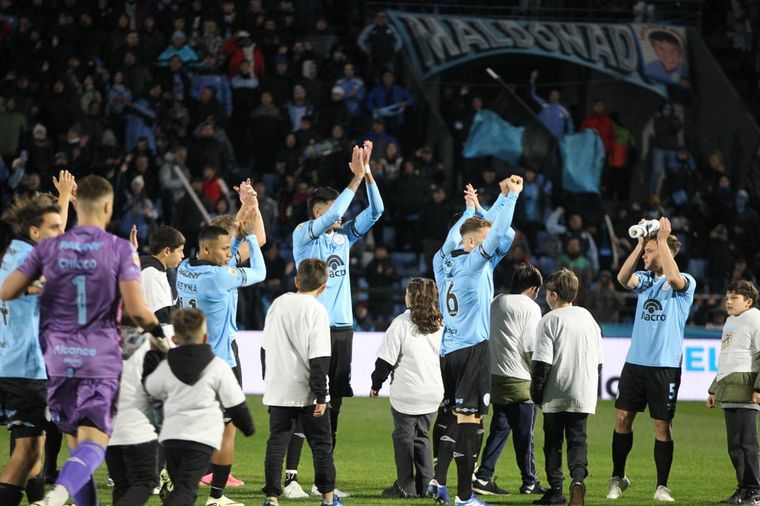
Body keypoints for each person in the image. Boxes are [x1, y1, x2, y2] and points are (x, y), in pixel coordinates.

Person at [0, 175, 163, 506]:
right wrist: (158, 334)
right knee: (79, 447)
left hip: (48, 363)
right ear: (108, 206)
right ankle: (56, 496)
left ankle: (48, 498)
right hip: (67, 362)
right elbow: (135, 309)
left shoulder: (35, 251)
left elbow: (14, 283)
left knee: (45, 450)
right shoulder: (115, 249)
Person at [289, 142, 384, 497]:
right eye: (330, 212)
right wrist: (354, 179)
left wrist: (368, 174)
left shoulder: (341, 239)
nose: (339, 216)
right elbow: (333, 214)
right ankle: (290, 476)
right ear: (317, 213)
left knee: (335, 405)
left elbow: (377, 212)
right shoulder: (305, 235)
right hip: (313, 327)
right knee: (308, 401)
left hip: (343, 330)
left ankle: (321, 480)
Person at [429, 176, 522, 506]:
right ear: (471, 244)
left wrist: (481, 205)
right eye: (482, 242)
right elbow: (499, 234)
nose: (490, 246)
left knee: (456, 417)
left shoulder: (442, 263)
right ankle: (465, 496)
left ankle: (438, 482)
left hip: (448, 351)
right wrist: (511, 198)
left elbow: (496, 233)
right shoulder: (474, 263)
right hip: (472, 349)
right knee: (471, 422)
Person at [175, 205, 266, 506]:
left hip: (190, 359)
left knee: (194, 426)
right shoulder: (218, 277)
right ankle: (217, 497)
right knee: (228, 428)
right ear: (206, 248)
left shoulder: (186, 267)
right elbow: (260, 272)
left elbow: (225, 241)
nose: (230, 253)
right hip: (220, 362)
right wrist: (250, 237)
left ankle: (174, 478)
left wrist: (244, 209)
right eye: (225, 249)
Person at [608, 217, 696, 502]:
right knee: (622, 418)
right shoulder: (644, 281)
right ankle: (618, 478)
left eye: (648, 252)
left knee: (662, 425)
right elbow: (622, 279)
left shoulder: (686, 283)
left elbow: (673, 278)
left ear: (662, 250)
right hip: (636, 363)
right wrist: (638, 245)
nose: (644, 256)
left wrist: (659, 240)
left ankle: (662, 486)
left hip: (665, 365)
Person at [0, 171, 75, 506]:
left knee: (32, 449)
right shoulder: (27, 258)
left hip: (17, 365)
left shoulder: (18, 252)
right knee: (26, 454)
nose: (60, 235)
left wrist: (60, 200)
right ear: (34, 232)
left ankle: (37, 502)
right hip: (22, 369)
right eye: (53, 228)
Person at [145, 308, 254, 506]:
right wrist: (247, 427)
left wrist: (153, 355)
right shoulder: (218, 366)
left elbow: (149, 390)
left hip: (170, 441)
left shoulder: (166, 365)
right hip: (199, 441)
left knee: (182, 489)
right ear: (205, 337)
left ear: (175, 339)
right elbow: (237, 404)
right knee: (186, 492)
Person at [261, 259, 343, 506]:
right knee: (321, 446)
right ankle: (328, 499)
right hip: (306, 391)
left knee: (277, 443)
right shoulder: (317, 310)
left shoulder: (278, 304)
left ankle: (272, 497)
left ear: (297, 281)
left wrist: (270, 378)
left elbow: (265, 347)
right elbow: (318, 357)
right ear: (323, 287)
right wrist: (321, 395)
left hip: (279, 387)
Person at [530, 269, 603, 506]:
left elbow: (542, 363)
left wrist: (537, 393)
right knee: (578, 440)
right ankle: (578, 479)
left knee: (552, 443)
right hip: (583, 391)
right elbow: (599, 362)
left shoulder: (549, 320)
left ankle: (556, 490)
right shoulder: (588, 318)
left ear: (553, 295)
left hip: (556, 391)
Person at [473, 264, 546, 497]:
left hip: (495, 376)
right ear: (533, 288)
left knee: (500, 427)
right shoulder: (531, 307)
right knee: (525, 435)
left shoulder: (496, 301)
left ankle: (483, 477)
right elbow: (529, 345)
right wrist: (539, 375)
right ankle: (529, 482)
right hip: (521, 379)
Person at [369, 278, 444, 499]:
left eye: (407, 293)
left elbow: (385, 361)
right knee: (423, 436)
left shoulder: (401, 323)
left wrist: (376, 385)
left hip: (407, 394)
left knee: (403, 438)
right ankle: (426, 486)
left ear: (412, 297)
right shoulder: (440, 325)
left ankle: (405, 486)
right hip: (432, 393)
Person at [706, 280, 760, 505]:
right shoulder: (730, 321)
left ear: (748, 301)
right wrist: (713, 389)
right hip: (728, 389)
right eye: (727, 297)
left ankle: (755, 491)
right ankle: (743, 489)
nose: (728, 301)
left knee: (748, 444)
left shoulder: (755, 318)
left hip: (746, 387)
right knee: (735, 446)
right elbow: (726, 358)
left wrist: (758, 387)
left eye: (734, 298)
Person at [141, 225, 186, 329]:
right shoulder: (151, 273)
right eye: (180, 250)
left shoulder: (158, 270)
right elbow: (162, 315)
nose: (182, 255)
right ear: (167, 251)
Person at [529, 70, 574, 139]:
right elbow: (533, 95)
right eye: (552, 95)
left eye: (555, 95)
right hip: (541, 139)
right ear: (549, 96)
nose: (553, 96)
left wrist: (569, 139)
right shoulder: (544, 104)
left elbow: (570, 125)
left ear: (559, 96)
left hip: (556, 141)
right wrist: (533, 78)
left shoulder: (564, 110)